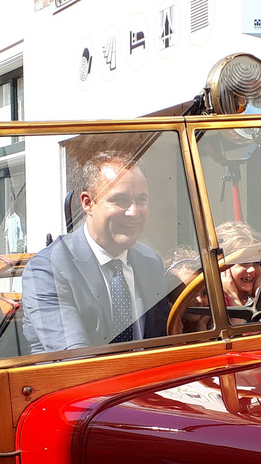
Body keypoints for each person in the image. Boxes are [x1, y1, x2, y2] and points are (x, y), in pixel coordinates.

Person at [21, 151, 172, 353]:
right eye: (120, 200)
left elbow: (161, 343)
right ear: (88, 203)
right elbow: (75, 357)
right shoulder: (47, 270)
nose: (134, 212)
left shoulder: (150, 262)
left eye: (141, 200)